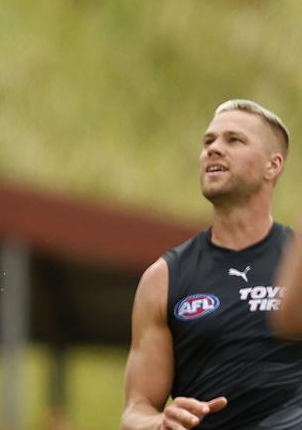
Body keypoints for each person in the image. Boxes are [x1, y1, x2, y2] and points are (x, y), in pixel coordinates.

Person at [121, 99, 302, 429]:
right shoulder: (163, 279)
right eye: (209, 141)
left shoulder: (297, 259)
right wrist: (159, 422)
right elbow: (136, 409)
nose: (214, 149)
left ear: (273, 166)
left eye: (234, 140)